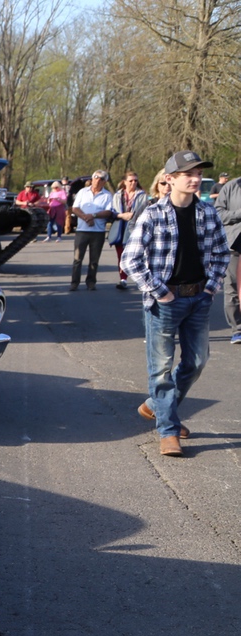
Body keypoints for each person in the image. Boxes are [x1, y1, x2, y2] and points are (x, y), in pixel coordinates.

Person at [120, 151, 230, 456]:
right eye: (187, 174)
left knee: (196, 362)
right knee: (161, 370)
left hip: (199, 298)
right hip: (164, 302)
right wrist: (158, 290)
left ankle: (157, 406)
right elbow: (130, 260)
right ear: (170, 179)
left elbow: (222, 254)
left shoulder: (208, 213)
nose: (195, 179)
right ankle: (168, 431)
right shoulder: (153, 214)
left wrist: (211, 288)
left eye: (198, 174)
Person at [69, 169, 115, 290]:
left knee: (94, 260)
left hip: (98, 232)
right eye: (96, 177)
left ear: (105, 182)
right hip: (82, 230)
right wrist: (85, 217)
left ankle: (91, 282)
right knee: (77, 259)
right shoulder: (83, 192)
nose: (98, 180)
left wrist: (93, 216)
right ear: (92, 179)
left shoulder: (107, 195)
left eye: (101, 179)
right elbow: (75, 208)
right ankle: (74, 283)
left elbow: (108, 211)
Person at [213, 166, 241, 344]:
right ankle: (237, 329)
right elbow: (218, 213)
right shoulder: (231, 187)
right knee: (232, 288)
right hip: (234, 245)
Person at [109, 171, 148, 289]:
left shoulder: (142, 195)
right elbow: (111, 212)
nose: (133, 183)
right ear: (124, 182)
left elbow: (146, 211)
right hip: (119, 228)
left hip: (135, 228)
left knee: (136, 256)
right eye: (130, 181)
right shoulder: (117, 195)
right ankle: (123, 279)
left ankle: (142, 279)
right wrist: (122, 215)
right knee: (121, 256)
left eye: (135, 180)